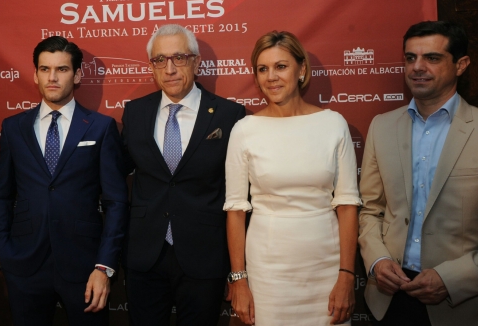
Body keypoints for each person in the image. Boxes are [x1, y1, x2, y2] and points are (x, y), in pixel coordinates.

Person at [0, 36, 128, 326]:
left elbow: (115, 202)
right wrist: (3, 252)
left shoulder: (101, 127)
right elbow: (1, 195)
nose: (52, 77)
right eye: (45, 69)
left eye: (62, 69)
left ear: (77, 75)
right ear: (36, 74)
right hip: (24, 264)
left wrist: (104, 266)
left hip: (85, 266)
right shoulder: (14, 127)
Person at [224, 31, 360, 326]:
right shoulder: (245, 130)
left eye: (281, 66)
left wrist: (347, 275)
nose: (271, 77)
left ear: (301, 70)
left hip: (326, 266)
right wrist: (239, 279)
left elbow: (348, 205)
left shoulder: (333, 124)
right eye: (263, 69)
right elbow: (235, 211)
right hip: (267, 271)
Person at [122, 24, 246, 325]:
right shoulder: (135, 112)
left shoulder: (230, 115)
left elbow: (240, 193)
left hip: (204, 255)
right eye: (159, 60)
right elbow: (117, 174)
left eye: (179, 57)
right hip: (145, 255)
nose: (170, 69)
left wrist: (238, 270)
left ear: (196, 62)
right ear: (152, 66)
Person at [358, 20, 477, 326]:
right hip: (389, 297)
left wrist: (454, 278)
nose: (417, 67)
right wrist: (377, 260)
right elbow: (370, 210)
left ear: (461, 65)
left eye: (432, 58)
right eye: (410, 58)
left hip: (461, 304)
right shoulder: (382, 126)